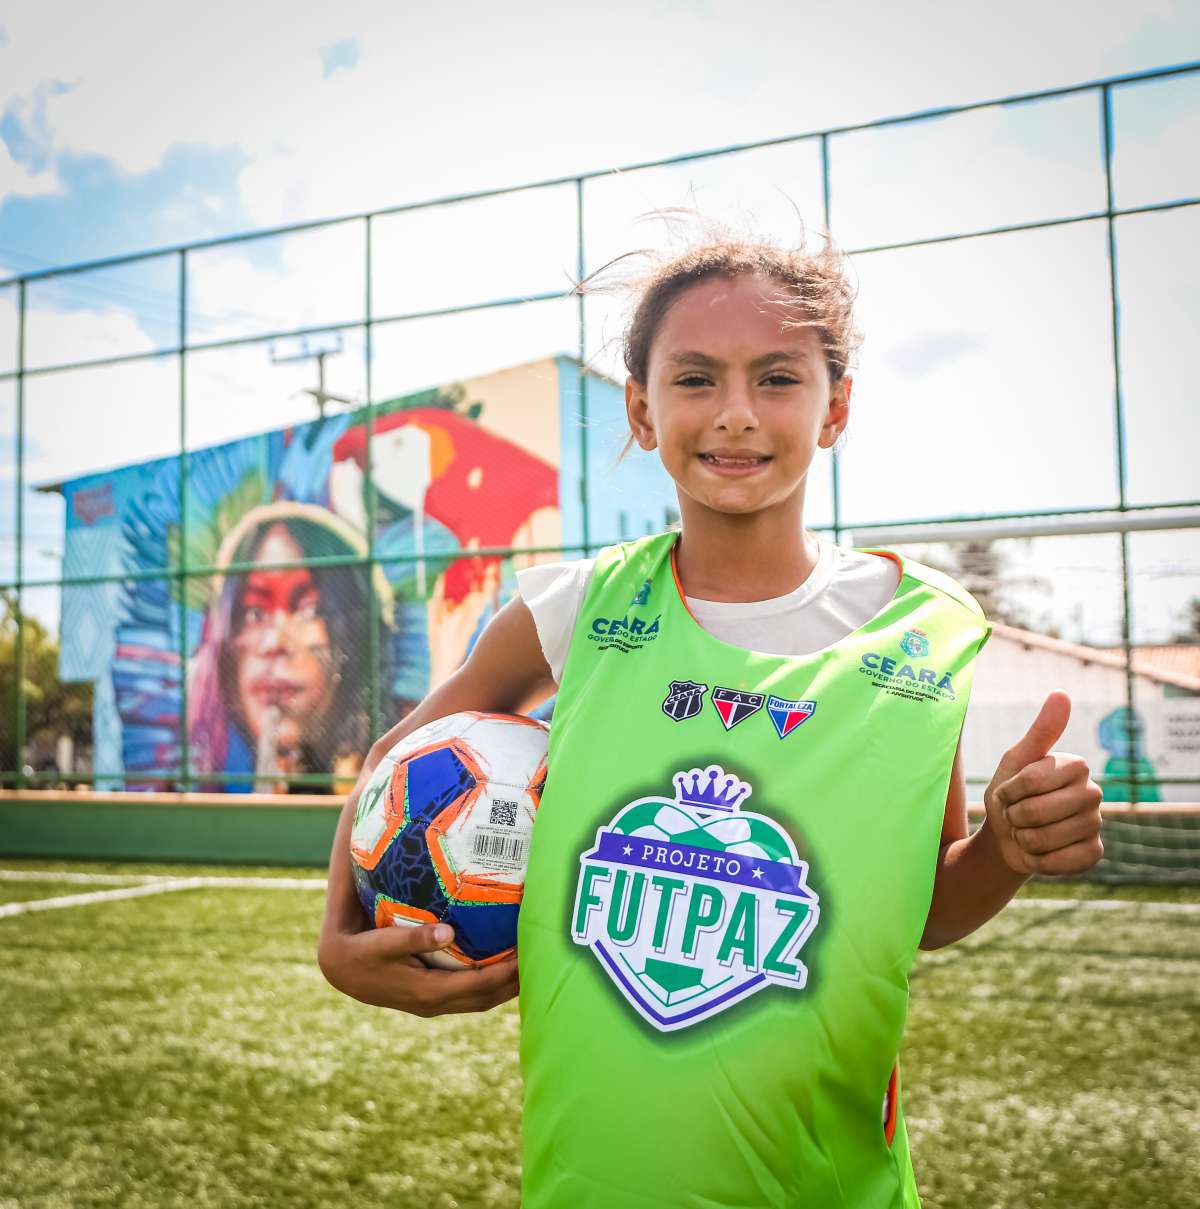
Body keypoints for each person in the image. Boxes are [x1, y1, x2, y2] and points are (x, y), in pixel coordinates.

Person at [317, 230, 1104, 1207]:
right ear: (643, 411)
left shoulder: (924, 632)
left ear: (837, 406)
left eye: (778, 378)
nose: (736, 415)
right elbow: (397, 761)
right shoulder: (577, 610)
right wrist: (337, 943)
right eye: (695, 379)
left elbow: (925, 908)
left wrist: (1009, 847)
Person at [189, 501, 393, 791]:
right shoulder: (201, 779)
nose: (274, 643)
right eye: (253, 613)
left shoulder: (393, 783)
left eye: (310, 609)